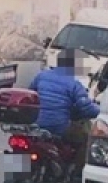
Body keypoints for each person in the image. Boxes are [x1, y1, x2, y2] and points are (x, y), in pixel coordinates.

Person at [28, 48, 100, 176]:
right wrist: (100, 110)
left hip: (34, 124)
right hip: (58, 127)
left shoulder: (41, 76)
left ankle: (14, 178)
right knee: (87, 138)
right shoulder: (74, 84)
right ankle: (77, 174)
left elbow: (30, 95)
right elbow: (86, 108)